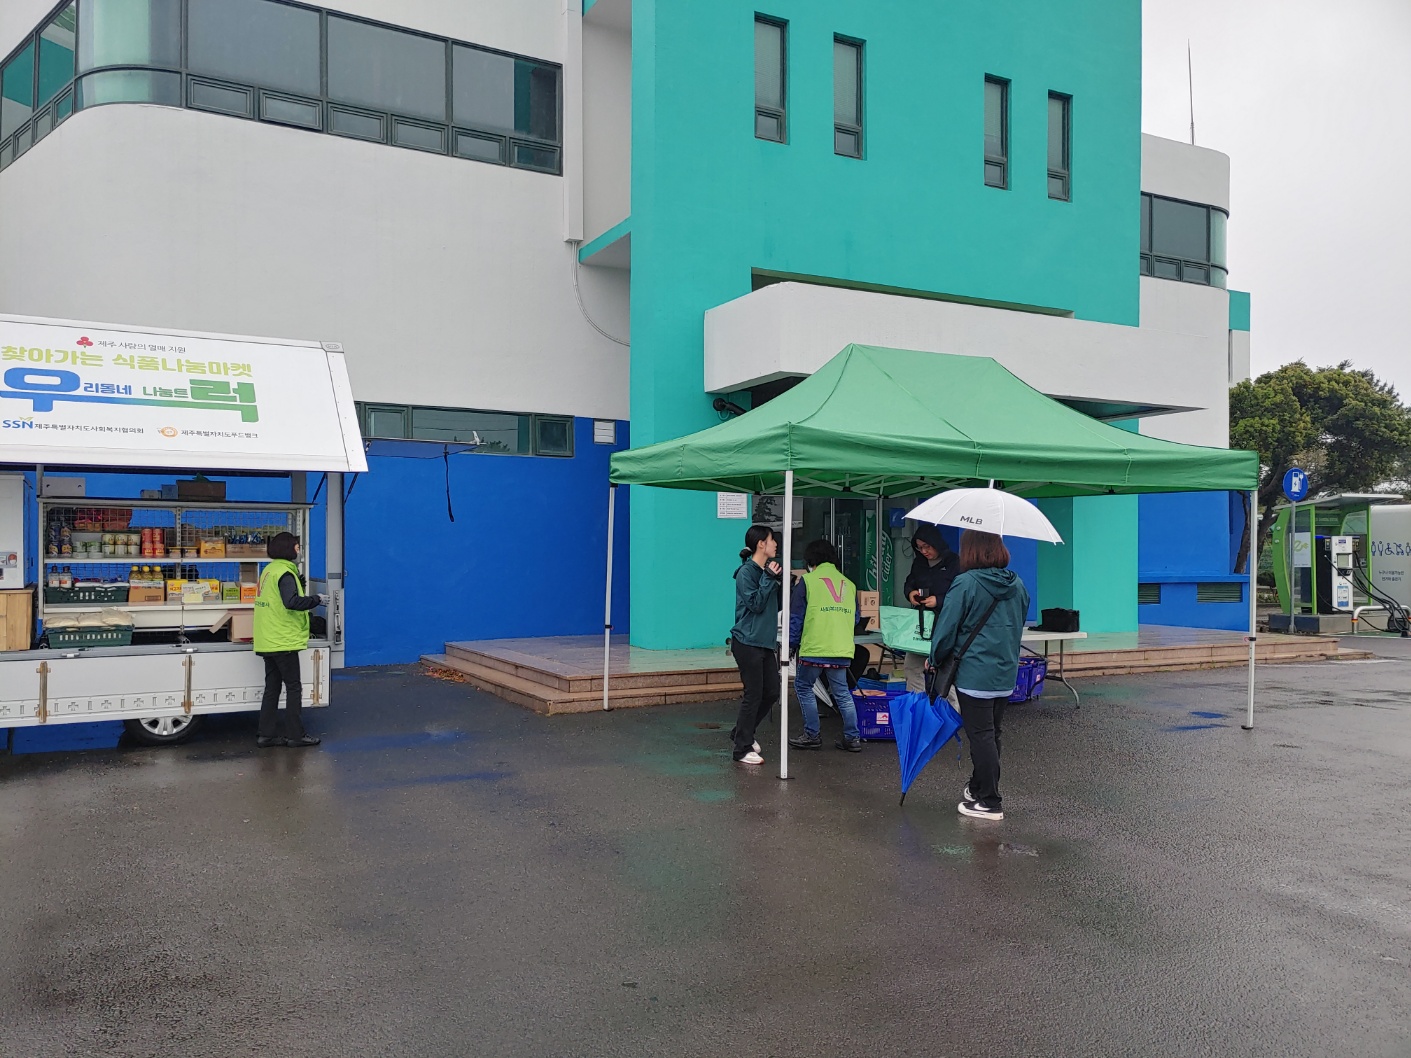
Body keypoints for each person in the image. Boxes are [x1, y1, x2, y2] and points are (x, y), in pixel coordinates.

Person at [928, 529, 1029, 821]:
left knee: (981, 735)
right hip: (1005, 671)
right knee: (992, 733)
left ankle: (990, 801)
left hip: (974, 673)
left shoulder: (966, 583)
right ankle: (978, 787)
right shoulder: (1017, 584)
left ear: (970, 551)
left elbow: (947, 628)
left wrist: (935, 658)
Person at [253, 531, 328, 749]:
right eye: (297, 547)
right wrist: (316, 599)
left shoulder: (269, 570)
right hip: (282, 640)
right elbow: (291, 602)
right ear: (288, 549)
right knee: (293, 688)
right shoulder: (285, 573)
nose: (299, 550)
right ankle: (296, 735)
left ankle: (266, 735)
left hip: (267, 638)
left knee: (272, 688)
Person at [787, 539, 863, 752]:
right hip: (841, 648)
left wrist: (791, 644)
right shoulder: (849, 584)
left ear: (811, 561)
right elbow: (856, 618)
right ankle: (852, 738)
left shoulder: (808, 581)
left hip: (815, 647)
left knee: (803, 687)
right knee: (842, 692)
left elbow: (796, 618)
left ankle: (812, 735)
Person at [729, 524, 782, 765]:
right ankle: (741, 748)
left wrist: (781, 582)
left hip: (764, 642)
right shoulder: (746, 573)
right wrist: (769, 579)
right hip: (747, 641)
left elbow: (774, 605)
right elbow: (755, 604)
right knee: (754, 694)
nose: (775, 544)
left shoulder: (765, 572)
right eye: (772, 540)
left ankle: (742, 731)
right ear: (761, 544)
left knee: (771, 692)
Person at [902, 523, 961, 694]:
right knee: (912, 667)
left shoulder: (954, 562)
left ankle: (950, 709)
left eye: (927, 546)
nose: (924, 551)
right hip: (922, 624)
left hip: (945, 624)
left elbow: (960, 594)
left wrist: (939, 600)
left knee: (946, 672)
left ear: (936, 543)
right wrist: (910, 593)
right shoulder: (919, 563)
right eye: (919, 547)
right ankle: (917, 705)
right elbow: (910, 582)